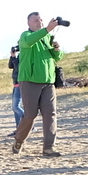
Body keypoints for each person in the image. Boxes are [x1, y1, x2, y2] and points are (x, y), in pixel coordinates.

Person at [12, 12, 64, 156]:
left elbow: (57, 57)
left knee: (50, 114)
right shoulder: (25, 36)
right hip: (30, 81)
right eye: (35, 20)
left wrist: (57, 49)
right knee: (30, 114)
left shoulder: (47, 37)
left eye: (40, 19)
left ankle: (49, 147)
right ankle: (19, 140)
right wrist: (47, 29)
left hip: (48, 82)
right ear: (28, 23)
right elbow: (30, 42)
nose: (39, 22)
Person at [9, 44, 23, 132]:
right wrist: (12, 56)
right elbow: (11, 66)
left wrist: (14, 58)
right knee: (15, 109)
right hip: (16, 83)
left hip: (20, 83)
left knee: (16, 106)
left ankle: (29, 124)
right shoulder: (19, 56)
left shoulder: (24, 56)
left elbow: (18, 68)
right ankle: (19, 128)